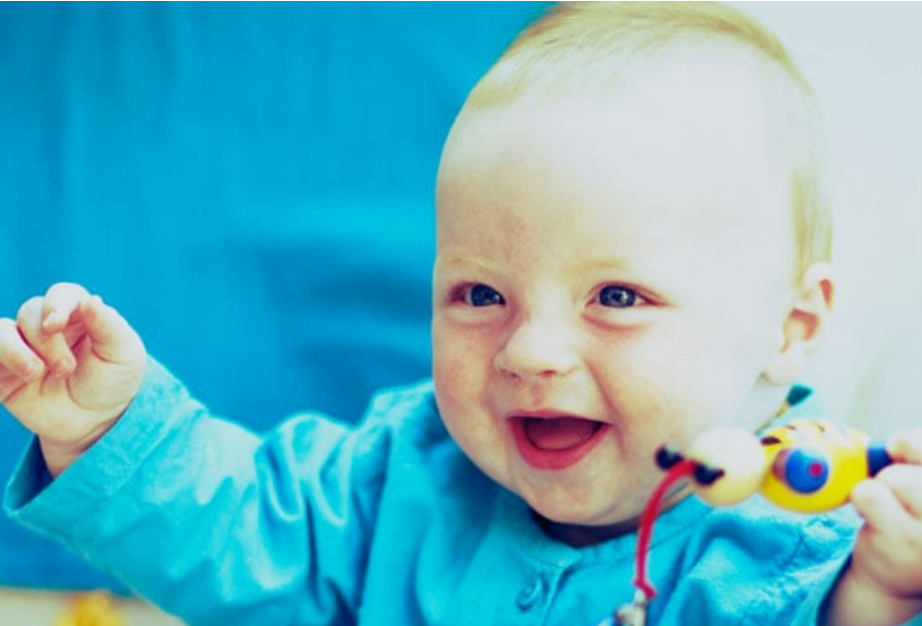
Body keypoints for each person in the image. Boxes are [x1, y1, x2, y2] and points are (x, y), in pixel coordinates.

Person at [2, 3, 921, 625]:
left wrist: (879, 592)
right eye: (481, 295)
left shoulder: (806, 544)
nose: (530, 350)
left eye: (617, 298)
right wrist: (109, 432)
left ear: (792, 325)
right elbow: (242, 524)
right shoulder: (400, 479)